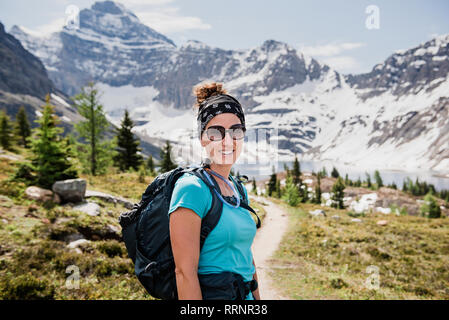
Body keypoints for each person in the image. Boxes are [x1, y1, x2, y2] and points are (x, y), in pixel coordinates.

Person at [168, 82, 261, 300]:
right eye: (216, 132)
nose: (228, 140)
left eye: (236, 131)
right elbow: (184, 273)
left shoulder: (238, 190)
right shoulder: (191, 189)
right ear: (202, 138)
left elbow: (246, 257)